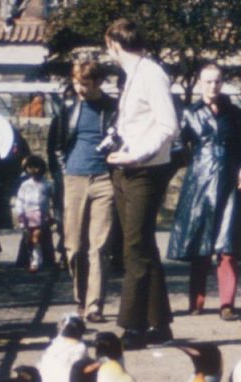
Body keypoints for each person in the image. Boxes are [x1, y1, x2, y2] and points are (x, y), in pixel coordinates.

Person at [103, 17, 179, 349]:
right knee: (143, 245)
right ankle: (159, 324)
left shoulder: (151, 74)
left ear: (113, 45)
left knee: (133, 247)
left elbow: (169, 126)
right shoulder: (133, 76)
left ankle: (133, 327)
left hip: (144, 171)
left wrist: (136, 156)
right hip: (127, 169)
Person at [167, 63, 241, 321]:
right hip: (200, 184)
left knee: (227, 246)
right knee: (200, 244)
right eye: (207, 81)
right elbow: (178, 144)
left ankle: (227, 303)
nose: (212, 86)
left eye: (217, 81)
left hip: (230, 183)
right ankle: (197, 301)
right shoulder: (190, 113)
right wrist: (197, 162)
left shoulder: (235, 114)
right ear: (201, 83)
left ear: (222, 83)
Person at [48, 60, 118, 323]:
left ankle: (94, 305)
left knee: (98, 247)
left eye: (85, 84)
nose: (79, 88)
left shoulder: (113, 109)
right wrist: (65, 171)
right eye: (76, 82)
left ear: (98, 82)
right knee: (74, 247)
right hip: (74, 178)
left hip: (104, 179)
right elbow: (55, 146)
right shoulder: (67, 109)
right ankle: (80, 296)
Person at [11, 155, 58, 273]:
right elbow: (20, 200)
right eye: (30, 167)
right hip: (27, 216)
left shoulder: (46, 184)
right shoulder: (25, 185)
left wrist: (52, 215)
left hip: (41, 216)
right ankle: (26, 260)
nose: (33, 170)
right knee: (28, 239)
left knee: (37, 238)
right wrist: (20, 214)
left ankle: (37, 261)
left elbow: (52, 200)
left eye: (36, 167)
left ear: (41, 168)